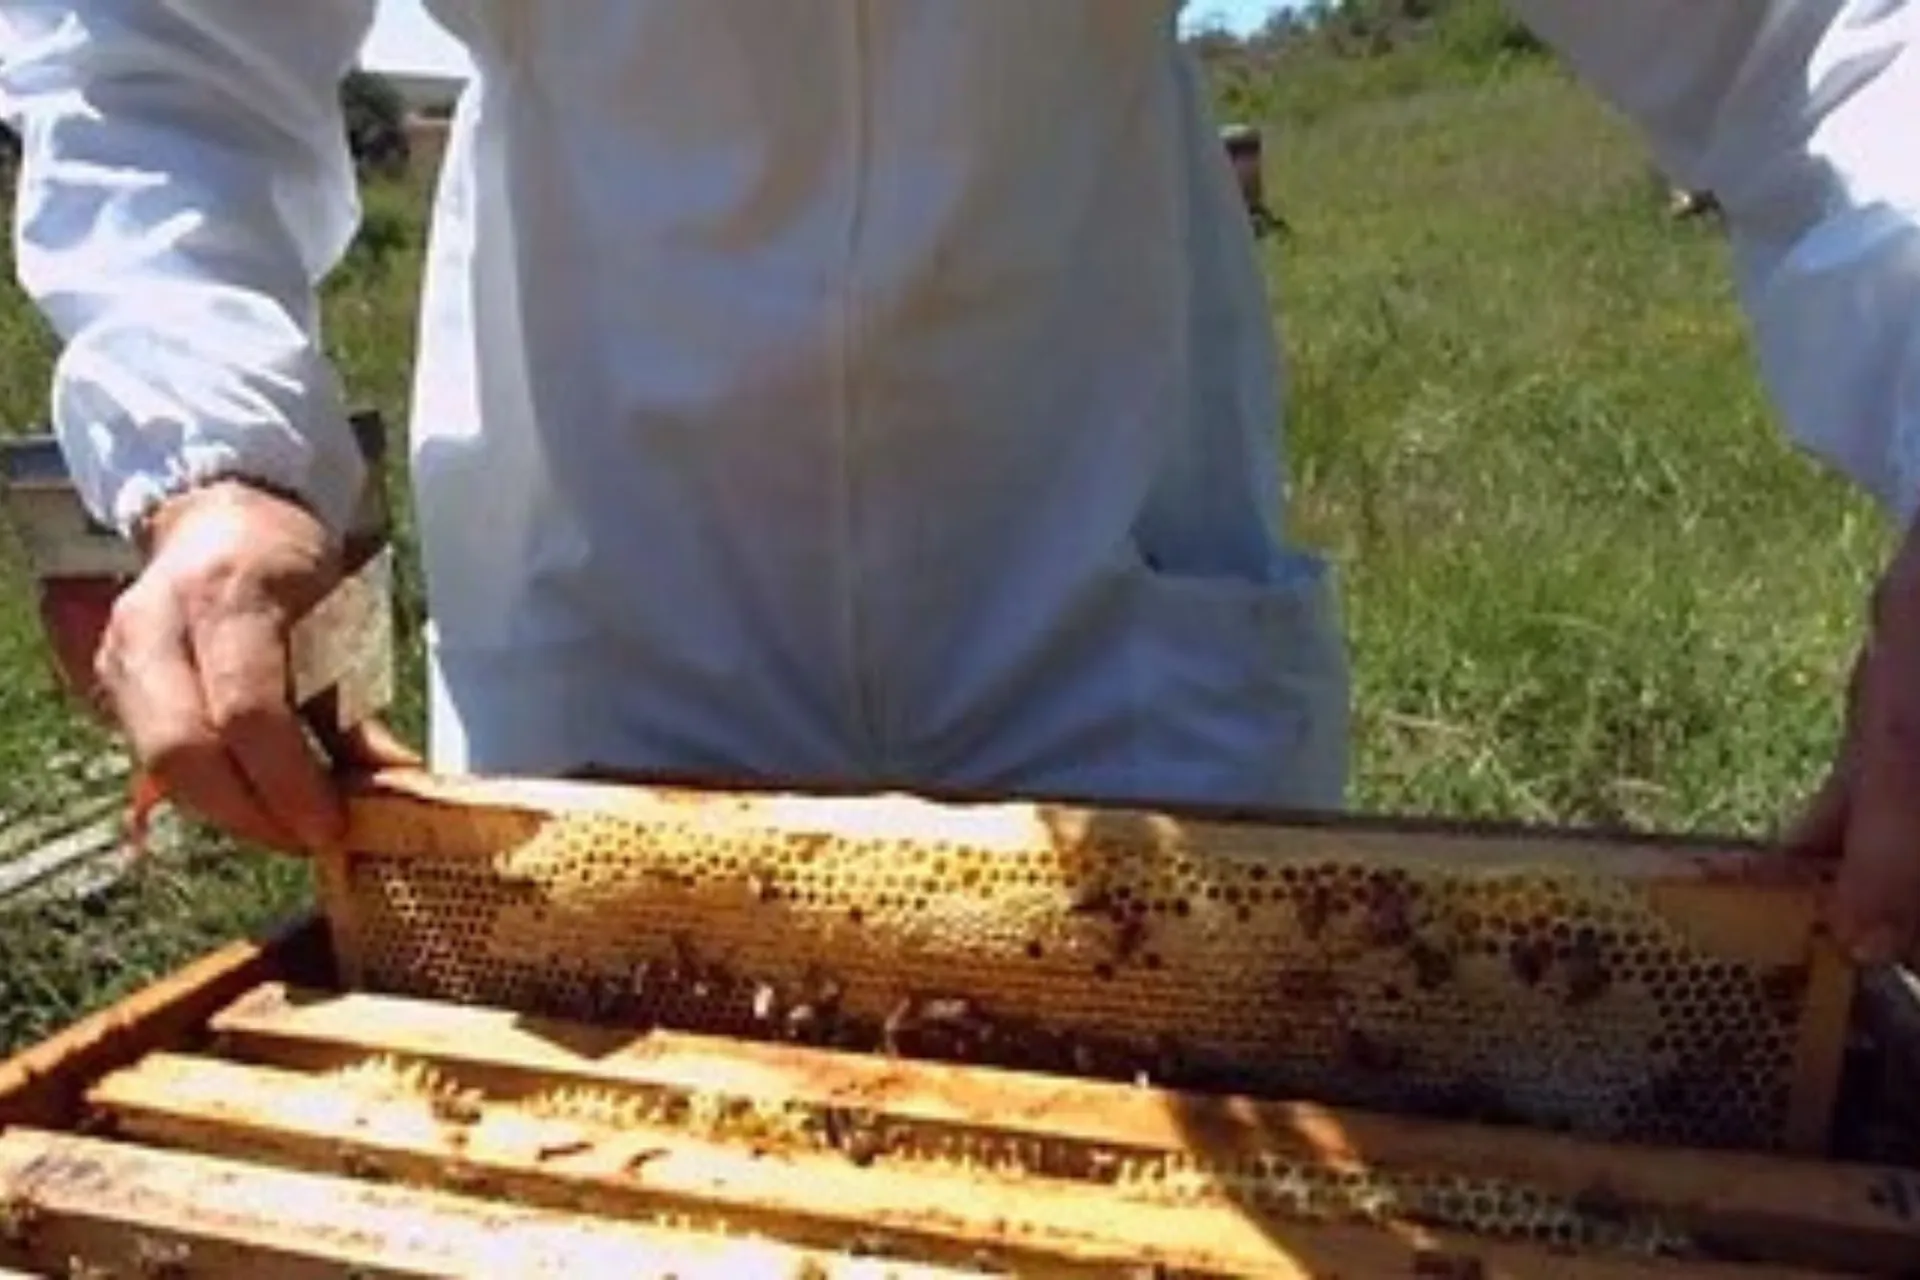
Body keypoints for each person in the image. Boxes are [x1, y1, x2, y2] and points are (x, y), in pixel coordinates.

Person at [0, 2, 1915, 965]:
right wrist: (218, 457)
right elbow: (162, 53)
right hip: (609, 655)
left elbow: (1802, 31)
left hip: (1114, 648)